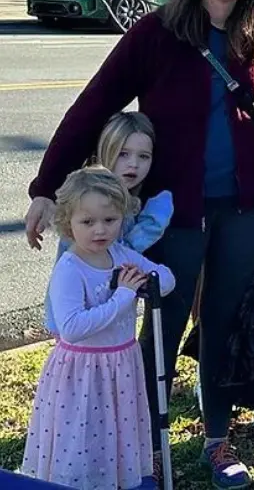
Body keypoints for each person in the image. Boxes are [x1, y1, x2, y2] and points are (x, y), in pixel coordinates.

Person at [24, 0, 254, 489]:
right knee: (161, 329)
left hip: (245, 209)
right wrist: (46, 187)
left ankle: (217, 439)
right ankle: (144, 443)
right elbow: (93, 105)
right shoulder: (158, 33)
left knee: (222, 325)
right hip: (175, 212)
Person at [23, 167, 177, 490]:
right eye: (88, 222)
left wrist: (148, 280)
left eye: (110, 220)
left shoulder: (120, 255)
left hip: (121, 368)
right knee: (81, 436)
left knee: (115, 436)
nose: (99, 230)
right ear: (68, 223)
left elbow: (166, 279)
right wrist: (123, 297)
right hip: (81, 372)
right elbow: (72, 327)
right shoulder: (70, 269)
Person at [44, 111, 173, 334]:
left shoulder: (138, 202)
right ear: (107, 150)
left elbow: (157, 276)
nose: (133, 164)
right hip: (80, 325)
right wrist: (154, 223)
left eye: (144, 156)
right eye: (123, 154)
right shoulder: (84, 199)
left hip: (117, 332)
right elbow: (68, 272)